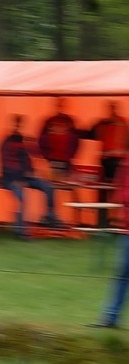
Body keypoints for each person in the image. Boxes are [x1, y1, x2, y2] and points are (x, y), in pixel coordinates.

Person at [0, 114, 62, 238]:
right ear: (11, 125)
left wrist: (34, 170)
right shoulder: (6, 143)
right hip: (10, 178)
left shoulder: (24, 140)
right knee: (23, 196)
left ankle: (50, 217)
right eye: (16, 124)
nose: (18, 126)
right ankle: (20, 230)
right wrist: (18, 178)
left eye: (20, 124)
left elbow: (35, 156)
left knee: (48, 187)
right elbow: (6, 163)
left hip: (25, 177)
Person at [90, 156, 129, 329]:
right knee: (122, 274)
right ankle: (110, 318)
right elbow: (121, 191)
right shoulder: (126, 162)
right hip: (127, 229)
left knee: (122, 274)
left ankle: (111, 317)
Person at [88, 101, 129, 207]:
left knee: (113, 188)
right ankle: (105, 214)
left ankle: (111, 214)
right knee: (106, 188)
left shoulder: (121, 122)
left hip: (117, 161)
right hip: (108, 160)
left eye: (113, 108)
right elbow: (92, 133)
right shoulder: (106, 123)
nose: (112, 110)